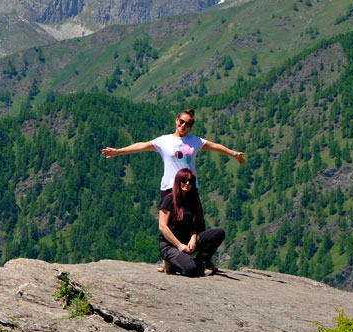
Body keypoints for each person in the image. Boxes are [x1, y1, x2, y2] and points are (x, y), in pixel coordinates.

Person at [100, 108, 245, 196]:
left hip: (189, 188)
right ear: (177, 121)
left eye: (187, 124)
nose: (183, 125)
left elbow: (215, 146)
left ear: (190, 127)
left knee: (191, 224)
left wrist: (234, 154)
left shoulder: (195, 141)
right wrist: (118, 152)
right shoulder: (164, 141)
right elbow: (142, 146)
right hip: (170, 187)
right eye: (181, 121)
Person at [158, 169, 225, 275]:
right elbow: (162, 227)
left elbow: (194, 225)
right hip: (170, 245)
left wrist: (193, 239)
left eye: (191, 181)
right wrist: (179, 245)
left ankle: (201, 260)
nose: (187, 183)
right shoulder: (169, 199)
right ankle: (172, 264)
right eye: (184, 180)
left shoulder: (192, 201)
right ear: (178, 181)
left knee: (218, 233)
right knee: (191, 270)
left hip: (187, 242)